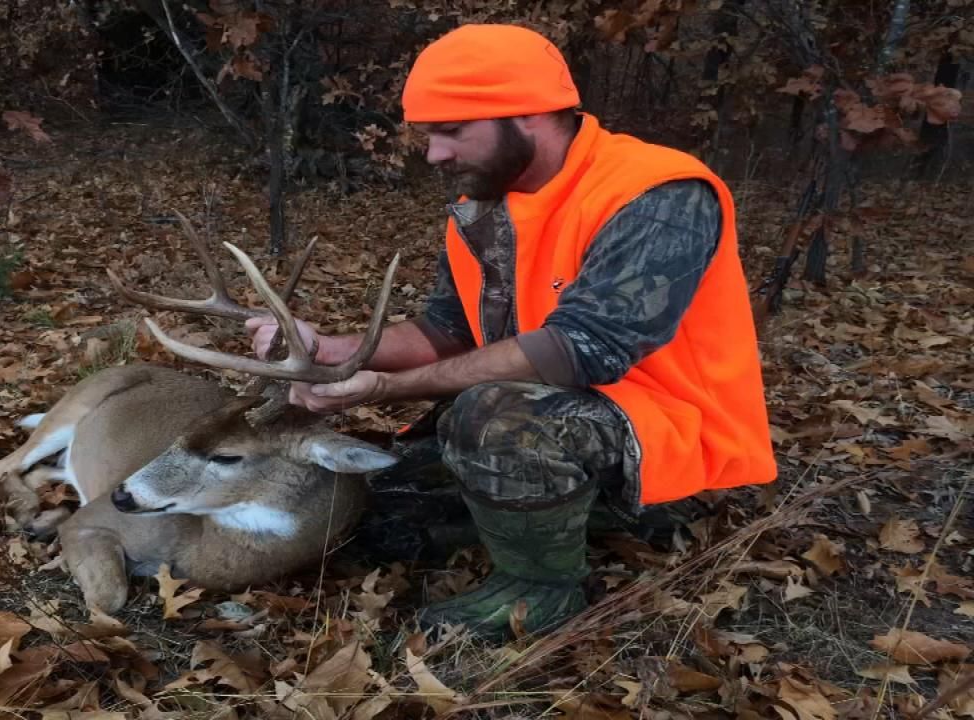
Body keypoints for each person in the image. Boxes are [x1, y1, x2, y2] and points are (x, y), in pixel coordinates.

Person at [245, 23, 778, 641]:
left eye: (450, 131)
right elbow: (450, 328)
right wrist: (335, 353)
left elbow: (584, 348)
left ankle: (543, 590)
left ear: (526, 114)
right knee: (379, 497)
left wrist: (381, 389)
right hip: (563, 418)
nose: (434, 155)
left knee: (489, 416)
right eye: (428, 135)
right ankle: (562, 510)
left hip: (671, 438)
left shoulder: (657, 193)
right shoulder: (485, 209)